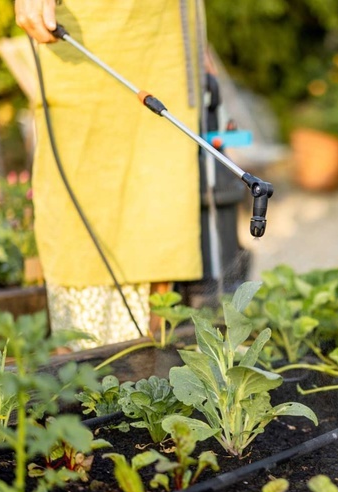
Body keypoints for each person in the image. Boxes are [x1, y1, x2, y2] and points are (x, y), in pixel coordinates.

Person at [15, 0, 205, 349]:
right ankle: (87, 376)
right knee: (82, 205)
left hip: (165, 33)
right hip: (90, 30)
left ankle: (149, 380)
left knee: (161, 204)